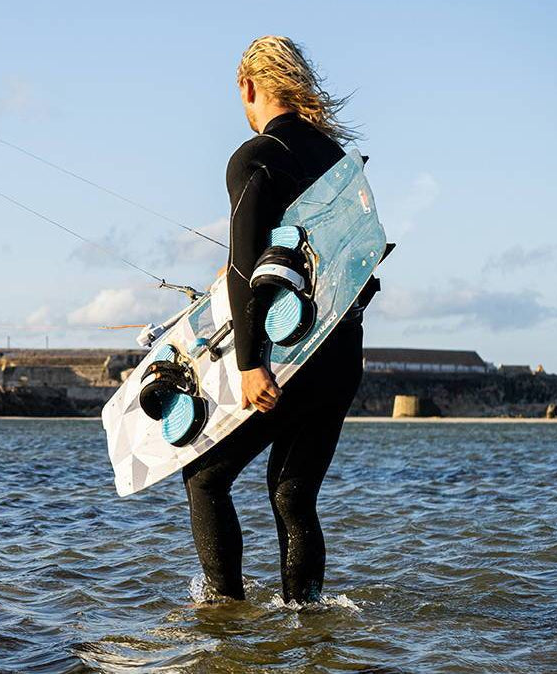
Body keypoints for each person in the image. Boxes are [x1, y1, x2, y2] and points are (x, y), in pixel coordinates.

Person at [182, 35, 365, 604]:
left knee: (206, 479)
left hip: (289, 358)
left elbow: (243, 265)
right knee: (291, 494)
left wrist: (249, 363)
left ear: (248, 86)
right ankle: (306, 623)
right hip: (342, 351)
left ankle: (225, 618)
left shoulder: (255, 156)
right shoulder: (337, 159)